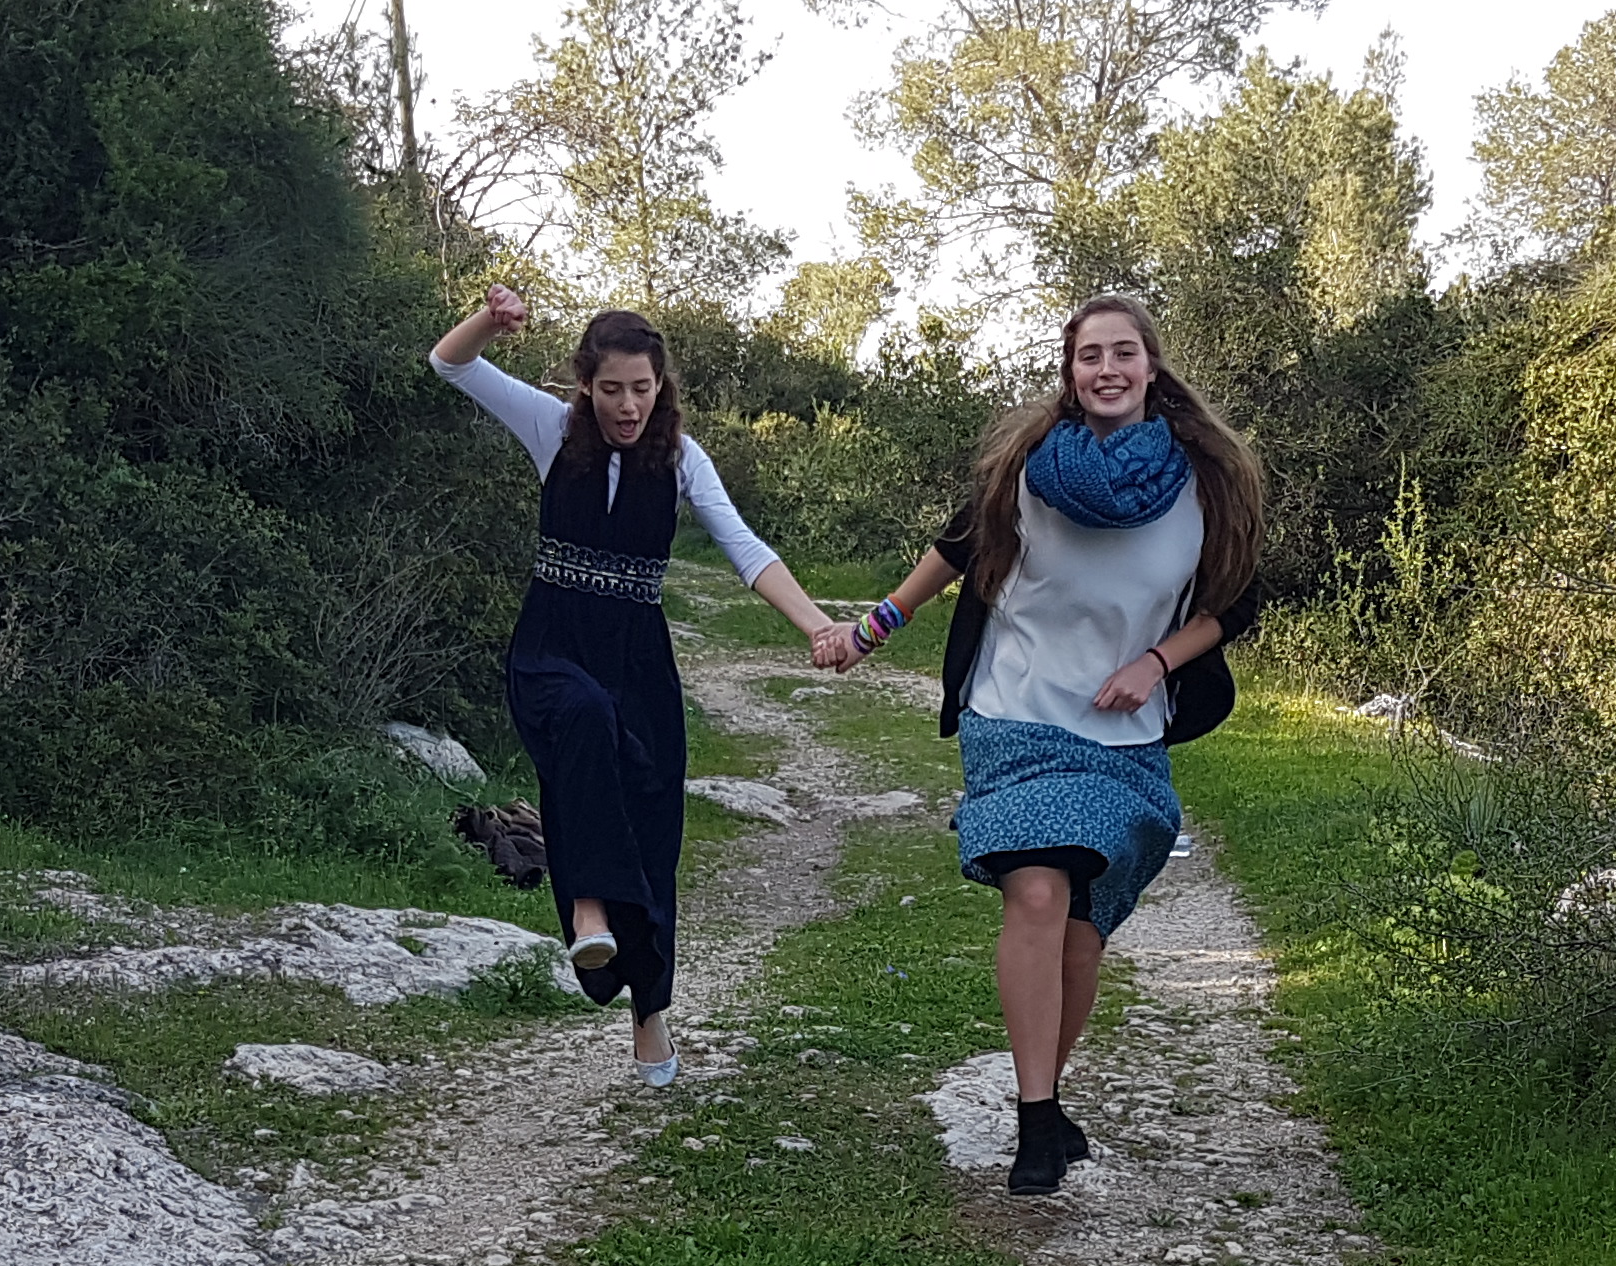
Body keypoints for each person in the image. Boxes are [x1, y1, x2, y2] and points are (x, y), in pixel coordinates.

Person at [831, 294, 1263, 1191]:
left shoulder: (1205, 482)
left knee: (1079, 930)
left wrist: (1157, 661)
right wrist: (870, 629)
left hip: (1123, 733)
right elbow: (953, 552)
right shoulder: (1028, 468)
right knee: (1035, 888)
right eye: (1089, 356)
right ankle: (1035, 1122)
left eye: (1123, 353)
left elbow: (1238, 602)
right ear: (1070, 374)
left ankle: (1046, 1098)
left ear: (1151, 367)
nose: (1107, 370)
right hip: (1014, 711)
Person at [431, 285, 851, 1082]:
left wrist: (817, 625)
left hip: (640, 664)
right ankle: (587, 907)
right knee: (584, 719)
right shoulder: (552, 429)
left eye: (643, 389)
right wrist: (491, 319)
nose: (628, 407)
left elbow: (744, 548)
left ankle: (649, 1014)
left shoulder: (683, 459)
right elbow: (450, 364)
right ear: (585, 386)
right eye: (612, 389)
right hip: (554, 648)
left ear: (663, 387)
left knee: (652, 829)